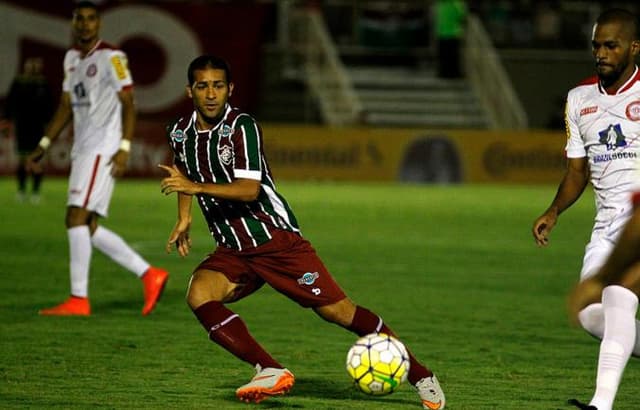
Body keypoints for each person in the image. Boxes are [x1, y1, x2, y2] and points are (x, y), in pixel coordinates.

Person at [158, 54, 446, 409]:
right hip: (232, 248)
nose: (212, 93)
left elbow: (249, 189)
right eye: (203, 86)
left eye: (218, 85)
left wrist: (197, 189)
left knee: (340, 313)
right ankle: (269, 369)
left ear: (230, 89)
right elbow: (182, 172)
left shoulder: (241, 127)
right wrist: (184, 216)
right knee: (199, 293)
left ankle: (421, 375)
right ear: (190, 91)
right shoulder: (179, 131)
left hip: (275, 240)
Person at [25, 1, 168, 316]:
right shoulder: (71, 58)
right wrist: (45, 143)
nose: (85, 24)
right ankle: (149, 274)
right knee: (85, 225)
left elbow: (128, 102)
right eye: (80, 19)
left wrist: (125, 147)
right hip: (83, 148)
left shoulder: (112, 57)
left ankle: (79, 299)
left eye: (91, 19)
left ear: (99, 25)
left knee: (75, 218)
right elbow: (65, 105)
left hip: (103, 147)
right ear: (73, 24)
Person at [532, 8, 640, 410]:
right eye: (597, 46)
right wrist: (554, 210)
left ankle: (601, 405)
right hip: (606, 223)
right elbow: (578, 171)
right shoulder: (579, 100)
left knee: (618, 298)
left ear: (633, 47)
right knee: (590, 313)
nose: (601, 53)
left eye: (611, 45)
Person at [3, 56, 54, 203]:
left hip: (38, 127)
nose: (32, 68)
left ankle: (36, 192)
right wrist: (7, 122)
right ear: (25, 66)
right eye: (30, 65)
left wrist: (49, 124)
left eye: (35, 65)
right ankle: (21, 190)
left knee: (37, 160)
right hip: (22, 126)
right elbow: (10, 103)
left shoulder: (43, 84)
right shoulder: (18, 83)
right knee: (22, 160)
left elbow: (49, 106)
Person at [434, 0, 467, 78]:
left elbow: (438, 18)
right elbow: (462, 17)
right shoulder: (457, 3)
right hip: (453, 33)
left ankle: (443, 73)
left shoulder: (440, 4)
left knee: (445, 56)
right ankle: (452, 74)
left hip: (443, 33)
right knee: (452, 56)